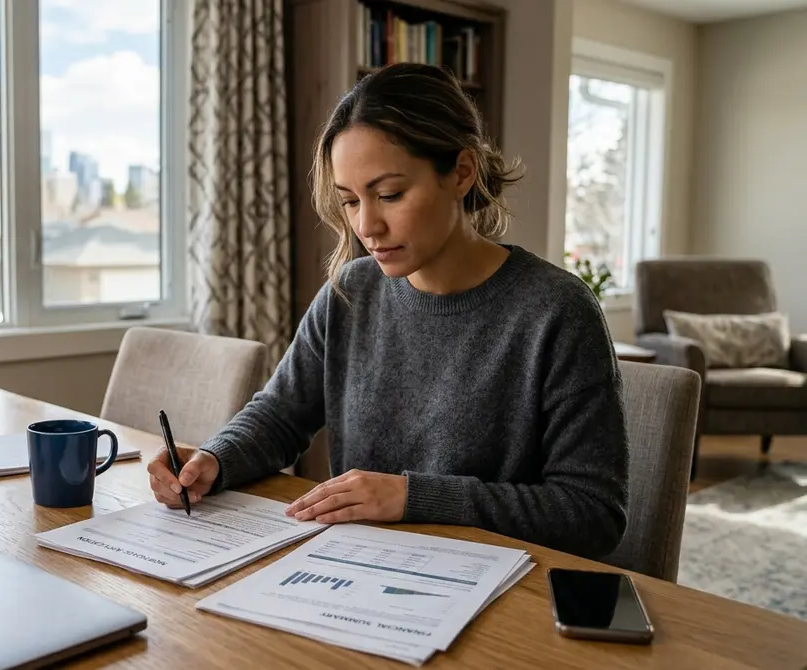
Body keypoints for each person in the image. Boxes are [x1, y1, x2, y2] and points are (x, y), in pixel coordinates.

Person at [147, 62, 629, 560]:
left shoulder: (557, 311)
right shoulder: (350, 292)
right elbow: (279, 416)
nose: (367, 226)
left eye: (390, 194)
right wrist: (214, 458)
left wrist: (413, 497)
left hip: (497, 592)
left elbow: (593, 513)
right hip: (357, 570)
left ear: (462, 173)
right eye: (350, 201)